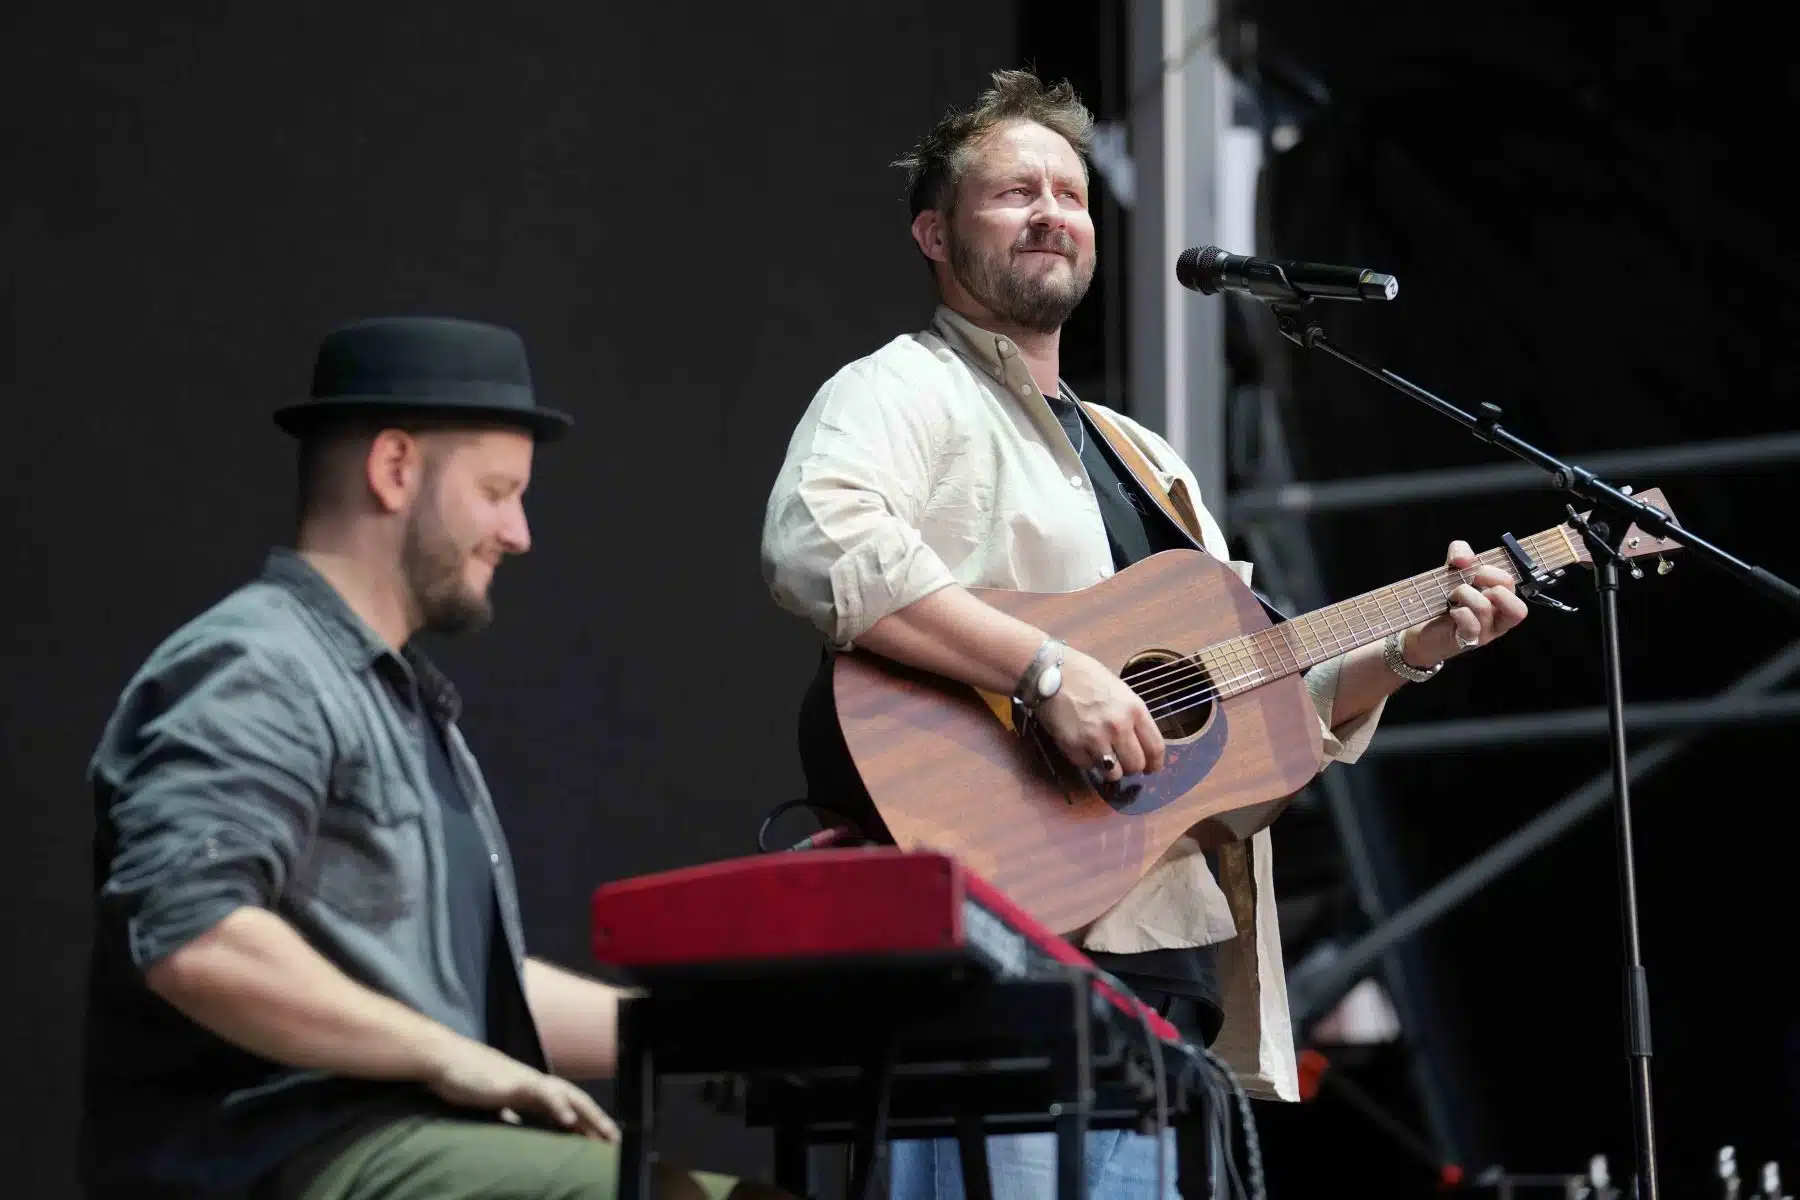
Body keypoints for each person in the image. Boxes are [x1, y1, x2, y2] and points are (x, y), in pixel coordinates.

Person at [758, 70, 1530, 1199]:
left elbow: (1258, 720)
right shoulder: (899, 390)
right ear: (933, 231)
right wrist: (1044, 667)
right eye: (1014, 191)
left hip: (1161, 993)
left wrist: (1413, 652)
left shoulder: (1146, 458)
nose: (1052, 212)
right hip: (998, 969)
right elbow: (816, 541)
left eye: (1070, 193)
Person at [81, 316, 789, 1200]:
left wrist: (715, 1040)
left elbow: (461, 991)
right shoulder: (256, 665)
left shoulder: (404, 704)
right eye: (497, 490)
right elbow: (193, 935)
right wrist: (445, 1056)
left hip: (393, 1146)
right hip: (285, 1162)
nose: (519, 531)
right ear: (395, 469)